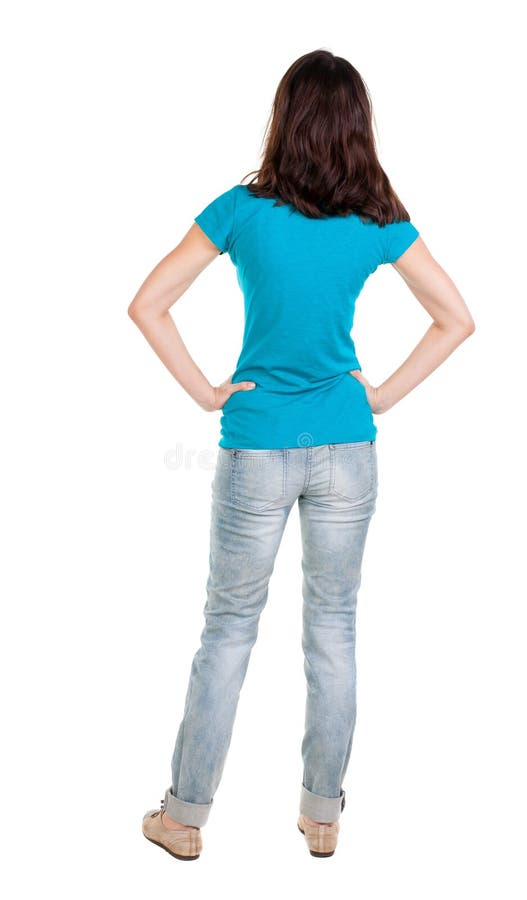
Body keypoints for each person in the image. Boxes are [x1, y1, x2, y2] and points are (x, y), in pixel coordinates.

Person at [129, 49, 475, 861]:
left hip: (257, 447)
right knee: (334, 629)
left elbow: (147, 304)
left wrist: (208, 393)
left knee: (227, 630)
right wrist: (378, 395)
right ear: (357, 125)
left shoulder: (242, 210)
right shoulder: (378, 219)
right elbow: (456, 319)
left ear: (285, 117)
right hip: (348, 447)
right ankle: (322, 815)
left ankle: (182, 819)